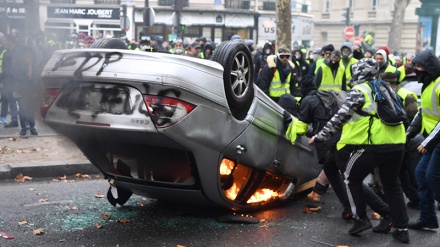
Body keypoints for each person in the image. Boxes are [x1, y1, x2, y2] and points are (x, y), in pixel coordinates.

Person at [309, 58, 410, 243]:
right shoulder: (386, 87)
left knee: (350, 176)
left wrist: (320, 136)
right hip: (398, 143)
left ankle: (360, 218)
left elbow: (340, 117)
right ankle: (402, 229)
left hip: (375, 145)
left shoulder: (360, 90)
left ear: (358, 73)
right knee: (392, 185)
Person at [406, 49, 440, 231]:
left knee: (432, 176)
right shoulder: (428, 84)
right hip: (433, 141)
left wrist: (427, 143)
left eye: (418, 66)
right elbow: (423, 112)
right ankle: (428, 218)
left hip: (436, 142)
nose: (416, 69)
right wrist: (410, 132)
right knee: (421, 174)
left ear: (429, 67)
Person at [381, 72, 422, 210]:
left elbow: (413, 119)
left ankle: (423, 200)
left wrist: (406, 135)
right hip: (398, 140)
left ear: (387, 83)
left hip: (410, 140)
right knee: (401, 172)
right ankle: (416, 199)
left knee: (413, 172)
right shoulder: (387, 95)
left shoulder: (406, 95)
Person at [11, 45, 39, 135]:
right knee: (22, 111)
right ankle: (24, 128)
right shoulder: (17, 66)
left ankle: (32, 127)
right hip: (21, 91)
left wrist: (30, 66)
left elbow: (35, 78)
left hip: (31, 92)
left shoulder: (34, 66)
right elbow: (21, 78)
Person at [2, 34, 19, 128]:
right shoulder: (7, 51)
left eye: (5, 41)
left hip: (14, 80)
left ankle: (17, 120)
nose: (4, 42)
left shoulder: (15, 51)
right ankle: (14, 119)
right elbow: (4, 68)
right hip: (9, 80)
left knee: (15, 100)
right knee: (11, 100)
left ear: (10, 41)